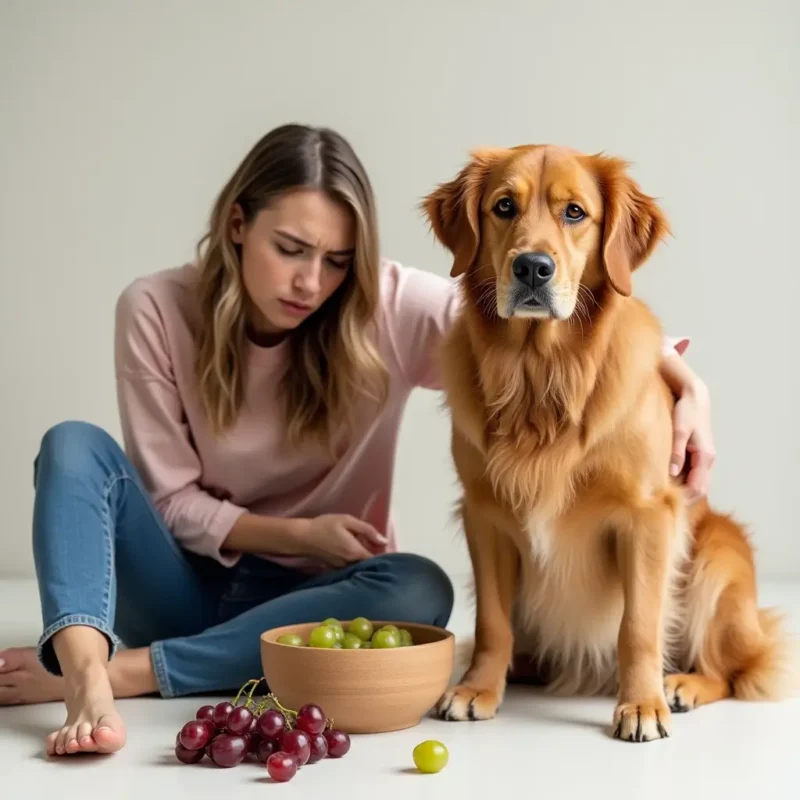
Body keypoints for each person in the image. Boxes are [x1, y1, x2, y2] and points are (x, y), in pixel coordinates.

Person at [0, 124, 716, 757]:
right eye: (291, 249)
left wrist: (690, 386)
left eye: (338, 259)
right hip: (179, 588)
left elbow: (539, 327)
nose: (312, 282)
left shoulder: (386, 305)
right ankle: (87, 673)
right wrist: (302, 534)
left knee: (419, 586)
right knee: (71, 445)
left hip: (323, 606)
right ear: (237, 224)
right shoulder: (154, 309)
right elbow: (171, 501)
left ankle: (132, 672)